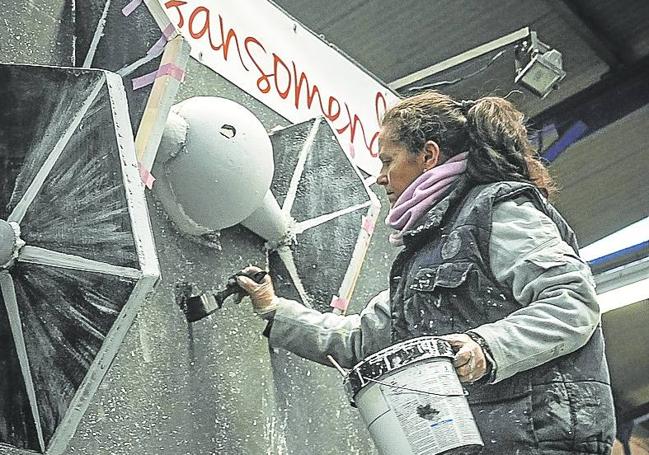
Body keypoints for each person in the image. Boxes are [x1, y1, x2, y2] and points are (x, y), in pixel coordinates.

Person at [237, 91, 616, 454]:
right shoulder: (428, 247)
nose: (379, 177)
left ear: (428, 155)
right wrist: (273, 309)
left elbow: (573, 303)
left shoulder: (496, 210)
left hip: (540, 437)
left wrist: (485, 347)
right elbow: (362, 341)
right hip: (486, 440)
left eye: (388, 161)